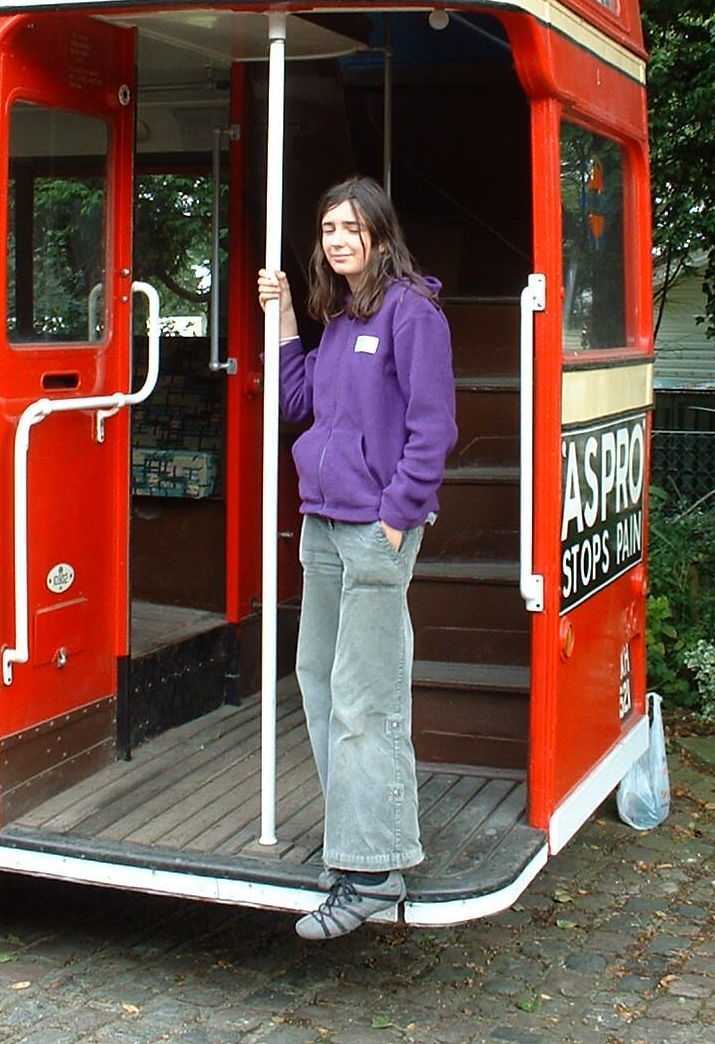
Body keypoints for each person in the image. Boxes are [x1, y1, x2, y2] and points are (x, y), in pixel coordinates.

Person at [257, 175, 457, 939]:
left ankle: (374, 871)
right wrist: (281, 322)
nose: (338, 239)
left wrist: (398, 516)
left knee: (364, 697)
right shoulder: (342, 316)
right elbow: (297, 405)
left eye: (352, 227)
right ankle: (352, 844)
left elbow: (434, 428)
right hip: (323, 523)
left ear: (380, 232)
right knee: (317, 680)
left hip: (374, 530)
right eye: (328, 228)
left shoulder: (412, 312)